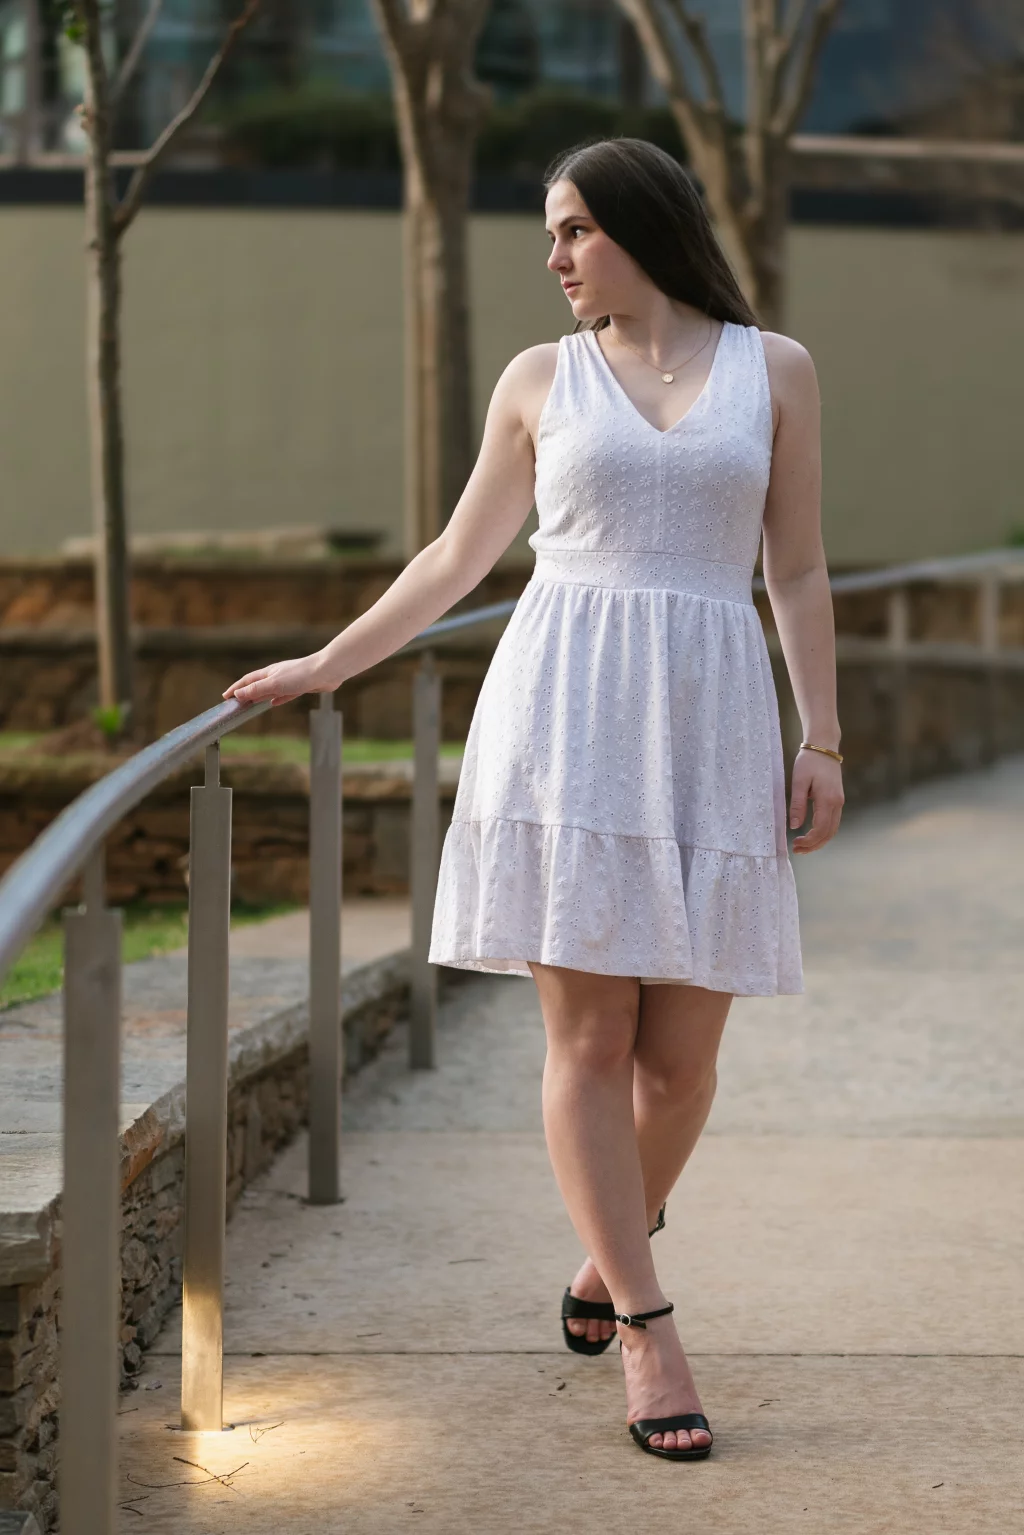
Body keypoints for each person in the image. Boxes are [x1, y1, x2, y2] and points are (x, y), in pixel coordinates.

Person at [224, 137, 844, 1464]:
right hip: (565, 724)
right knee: (590, 1048)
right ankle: (648, 1323)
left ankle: (603, 1253)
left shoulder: (773, 369)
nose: (555, 258)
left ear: (636, 225)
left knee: (680, 1065)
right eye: (550, 237)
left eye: (571, 231)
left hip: (714, 725)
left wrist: (825, 736)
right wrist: (334, 663)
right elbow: (459, 555)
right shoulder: (538, 381)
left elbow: (794, 568)